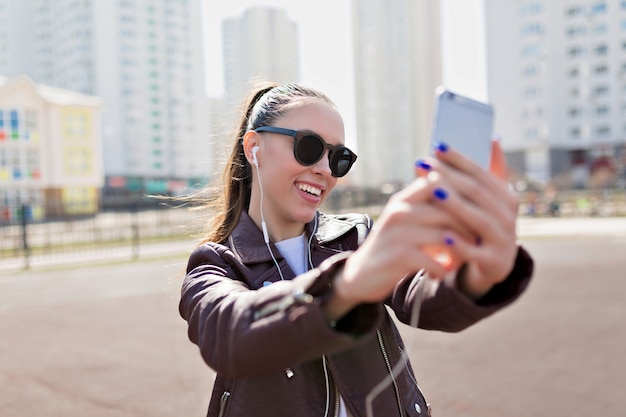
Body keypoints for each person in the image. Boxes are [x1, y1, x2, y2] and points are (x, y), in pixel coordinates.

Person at [179, 82, 534, 417]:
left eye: (339, 158)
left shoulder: (356, 235)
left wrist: (479, 275)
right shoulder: (215, 263)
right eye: (309, 147)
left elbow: (424, 298)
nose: (324, 170)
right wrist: (350, 284)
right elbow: (229, 335)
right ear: (253, 147)